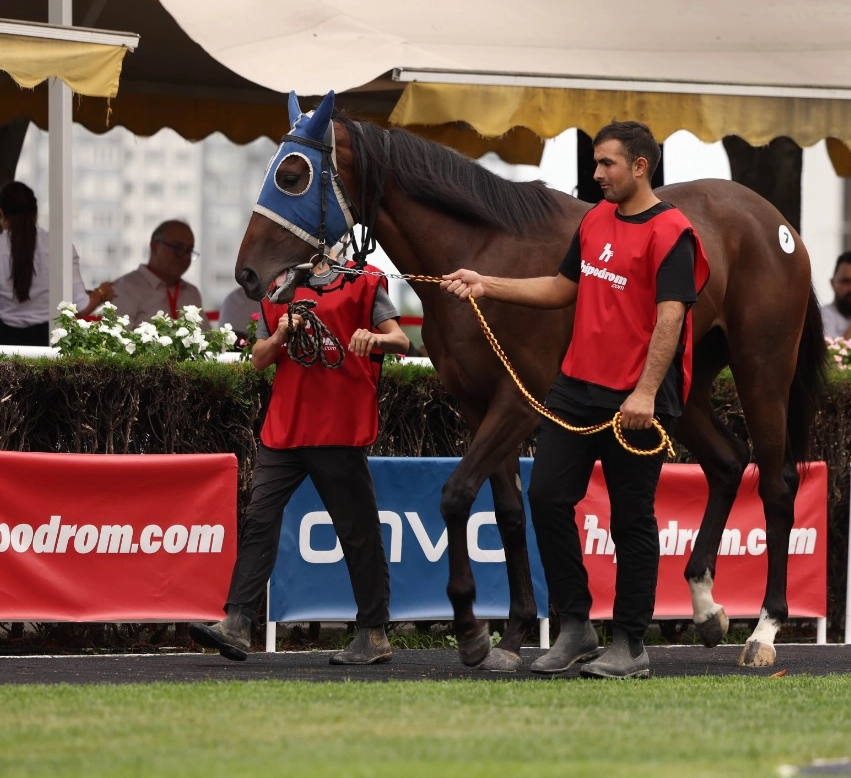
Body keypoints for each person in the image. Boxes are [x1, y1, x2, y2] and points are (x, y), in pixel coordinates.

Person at [441, 120, 709, 680]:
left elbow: (671, 318)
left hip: (638, 399)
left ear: (640, 166)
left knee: (631, 520)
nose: (597, 173)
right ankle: (577, 627)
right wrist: (487, 284)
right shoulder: (594, 220)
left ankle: (631, 644)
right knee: (546, 497)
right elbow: (563, 288)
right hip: (576, 386)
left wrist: (644, 393)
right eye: (595, 163)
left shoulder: (673, 232)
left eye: (607, 163)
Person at [190, 256, 409, 664]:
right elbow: (259, 357)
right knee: (258, 518)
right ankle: (237, 624)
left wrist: (374, 338)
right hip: (285, 430)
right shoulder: (278, 287)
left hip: (339, 429)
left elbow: (401, 340)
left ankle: (373, 635)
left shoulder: (363, 280)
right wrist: (279, 337)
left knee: (358, 531)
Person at [0, 181, 113, 346]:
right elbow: (81, 305)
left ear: (1, 213)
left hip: (4, 343)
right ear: (36, 213)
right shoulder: (61, 247)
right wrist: (103, 291)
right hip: (49, 342)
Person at [111, 220, 210, 327]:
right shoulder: (124, 288)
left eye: (189, 250)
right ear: (154, 246)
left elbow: (207, 339)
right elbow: (118, 340)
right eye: (177, 247)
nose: (184, 256)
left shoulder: (191, 292)